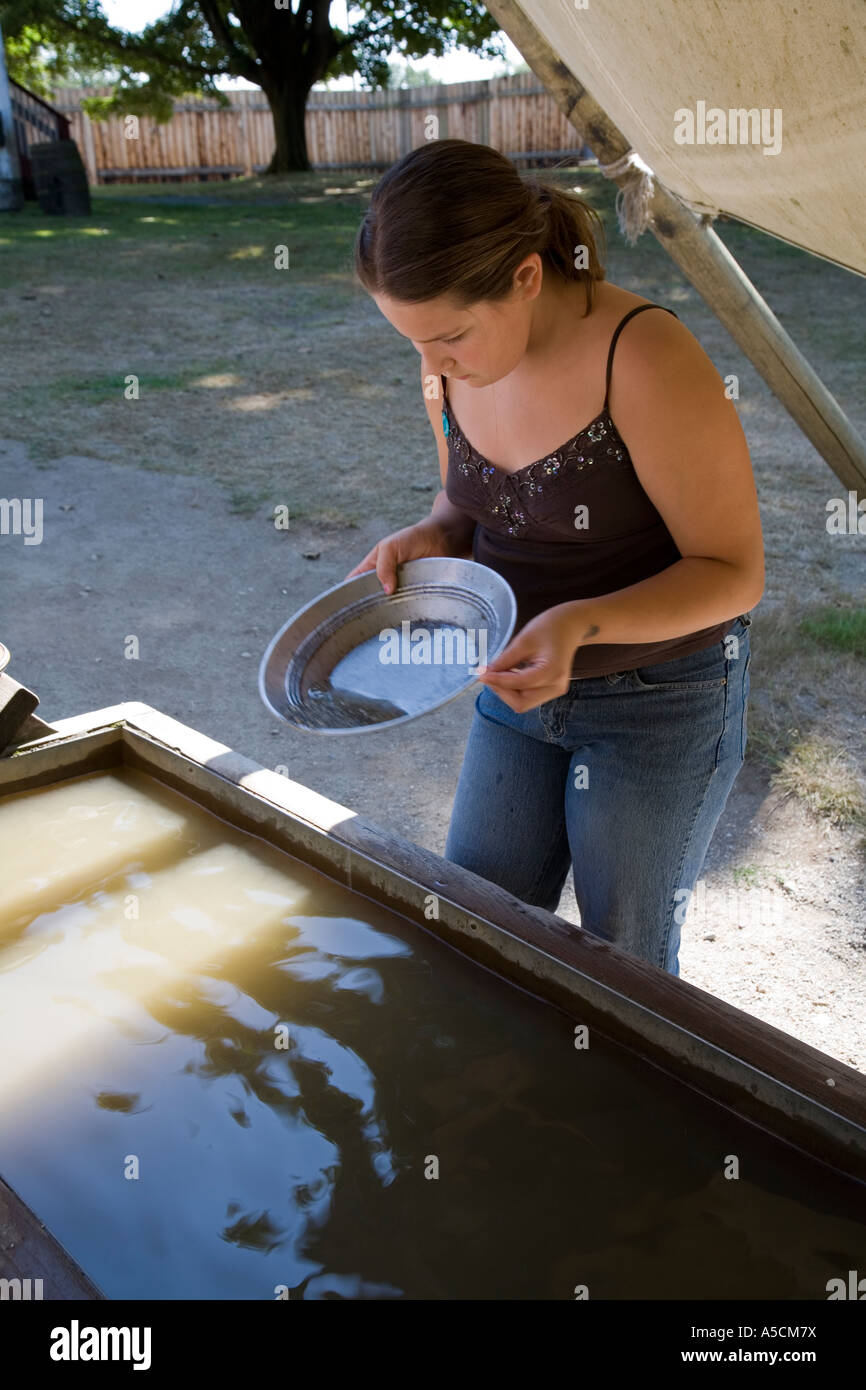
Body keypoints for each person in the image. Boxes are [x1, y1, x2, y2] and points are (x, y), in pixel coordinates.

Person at [346, 138, 764, 976]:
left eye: (450, 336)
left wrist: (582, 621)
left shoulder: (642, 356)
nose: (431, 368)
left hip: (660, 697)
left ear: (527, 277)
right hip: (515, 680)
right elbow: (463, 502)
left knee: (626, 961)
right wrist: (432, 534)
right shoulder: (449, 366)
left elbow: (734, 571)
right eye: (412, 343)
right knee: (476, 920)